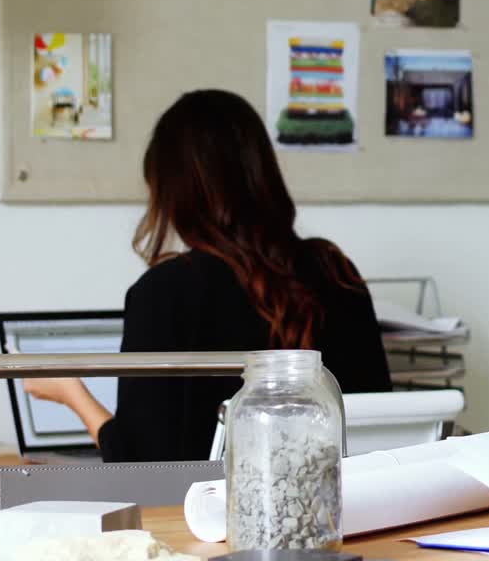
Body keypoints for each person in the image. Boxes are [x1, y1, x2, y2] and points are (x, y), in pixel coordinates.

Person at [25, 90, 392, 462]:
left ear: (174, 196)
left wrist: (73, 395)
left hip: (203, 516)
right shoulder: (335, 270)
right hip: (338, 512)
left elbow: (139, 464)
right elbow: (383, 428)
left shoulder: (165, 292)